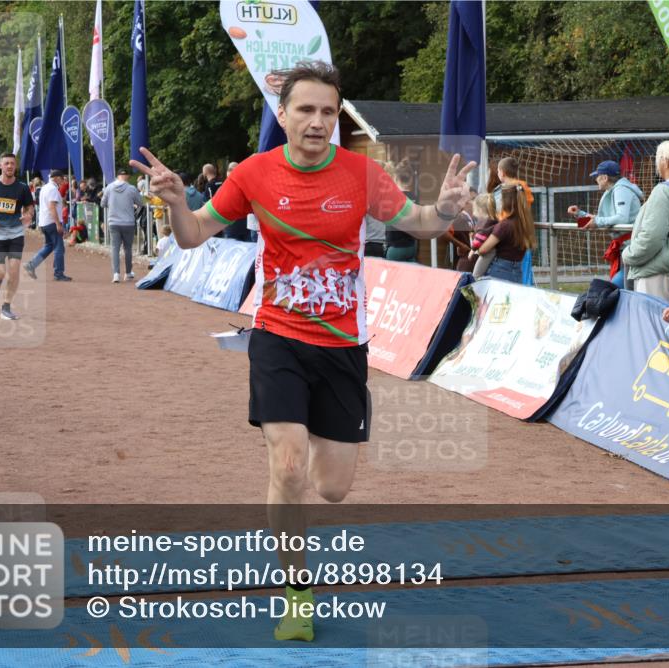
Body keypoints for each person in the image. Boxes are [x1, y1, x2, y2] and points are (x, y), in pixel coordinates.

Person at [131, 60, 474, 644]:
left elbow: (418, 224)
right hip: (277, 337)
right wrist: (174, 202)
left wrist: (443, 208)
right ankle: (297, 593)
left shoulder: (361, 174)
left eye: (327, 112)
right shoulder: (255, 174)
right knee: (286, 464)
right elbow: (192, 237)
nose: (317, 122)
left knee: (333, 487)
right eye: (305, 110)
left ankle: (316, 452)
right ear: (284, 115)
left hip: (343, 345)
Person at [621, 140, 669, 303]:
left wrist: (628, 254)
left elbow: (652, 237)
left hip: (657, 274)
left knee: (653, 325)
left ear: (665, 161)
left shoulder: (663, 191)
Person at [567, 159, 643, 288]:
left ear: (605, 177)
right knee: (619, 290)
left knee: (614, 290)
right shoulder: (615, 190)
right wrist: (580, 214)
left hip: (632, 248)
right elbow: (603, 219)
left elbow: (621, 218)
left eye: (597, 176)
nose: (596, 179)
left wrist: (597, 221)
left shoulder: (621, 190)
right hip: (625, 248)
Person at [0, 152, 35, 321]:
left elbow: (30, 207)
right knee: (0, 273)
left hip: (15, 233)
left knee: (15, 271)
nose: (10, 166)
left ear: (15, 166)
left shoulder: (22, 187)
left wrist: (28, 216)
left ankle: (6, 307)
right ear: (0, 166)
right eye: (6, 163)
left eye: (12, 163)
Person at [474, 182, 536, 283]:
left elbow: (483, 250)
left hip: (500, 272)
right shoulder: (525, 223)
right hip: (517, 272)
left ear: (505, 202)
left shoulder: (504, 226)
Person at [24, 170, 72, 282]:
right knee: (59, 248)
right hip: (51, 222)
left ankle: (32, 264)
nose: (63, 181)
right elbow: (52, 207)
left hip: (44, 222)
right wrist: (58, 224)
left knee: (49, 246)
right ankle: (58, 273)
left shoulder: (45, 187)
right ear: (57, 178)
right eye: (62, 178)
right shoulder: (53, 189)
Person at [101, 167, 144, 283]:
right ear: (127, 177)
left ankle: (116, 274)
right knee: (128, 248)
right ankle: (128, 273)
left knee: (115, 248)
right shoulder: (131, 188)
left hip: (113, 222)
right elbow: (140, 202)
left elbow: (102, 204)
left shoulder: (109, 188)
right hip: (128, 222)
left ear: (117, 176)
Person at [384, 160, 418, 262]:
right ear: (411, 180)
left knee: (393, 277)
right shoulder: (415, 198)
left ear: (395, 178)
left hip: (395, 247)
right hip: (411, 246)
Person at [468, 193, 497, 277]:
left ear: (480, 209)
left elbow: (480, 238)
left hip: (488, 253)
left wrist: (472, 250)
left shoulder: (486, 222)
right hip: (490, 251)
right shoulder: (492, 219)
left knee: (476, 274)